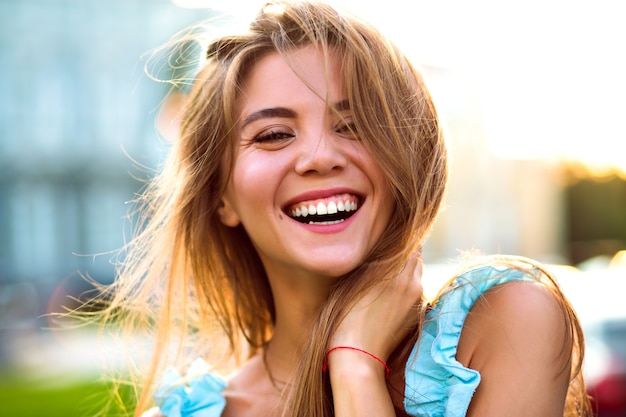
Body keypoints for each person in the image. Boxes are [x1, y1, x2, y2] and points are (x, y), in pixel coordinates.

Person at [97, 1, 592, 416]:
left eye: (353, 126)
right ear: (220, 197)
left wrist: (355, 369)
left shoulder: (506, 322)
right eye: (273, 135)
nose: (320, 157)